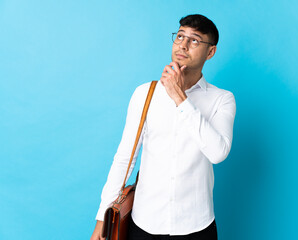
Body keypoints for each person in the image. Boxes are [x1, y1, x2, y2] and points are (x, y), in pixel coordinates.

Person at [90, 14, 236, 240]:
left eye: (195, 40)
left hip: (196, 226)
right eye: (180, 36)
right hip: (144, 224)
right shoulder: (144, 94)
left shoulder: (222, 99)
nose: (183, 45)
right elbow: (123, 158)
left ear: (210, 52)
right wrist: (102, 217)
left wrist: (180, 98)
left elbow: (218, 153)